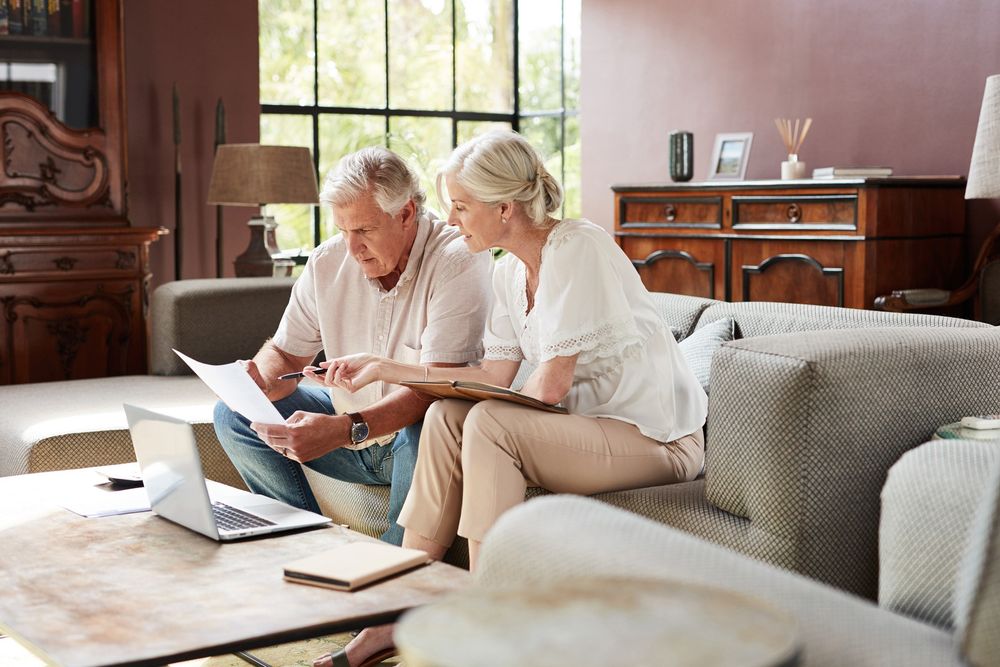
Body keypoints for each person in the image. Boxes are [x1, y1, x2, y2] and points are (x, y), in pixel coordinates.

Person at [311, 130, 708, 667]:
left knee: (487, 423)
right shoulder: (507, 270)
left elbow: (549, 388)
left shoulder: (577, 246)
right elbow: (491, 374)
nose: (450, 220)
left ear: (504, 208)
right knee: (450, 414)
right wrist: (387, 367)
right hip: (582, 436)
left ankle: (486, 622)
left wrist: (475, 406)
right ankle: (395, 611)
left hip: (656, 442)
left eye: (460, 206)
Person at [213, 146, 492, 547]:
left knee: (432, 421)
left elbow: (433, 388)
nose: (352, 248)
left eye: (364, 230)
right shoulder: (328, 262)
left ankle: (393, 558)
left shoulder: (458, 258)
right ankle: (303, 540)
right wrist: (258, 380)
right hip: (350, 430)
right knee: (232, 414)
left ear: (406, 213)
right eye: (344, 231)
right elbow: (286, 354)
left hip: (407, 439)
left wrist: (344, 429)